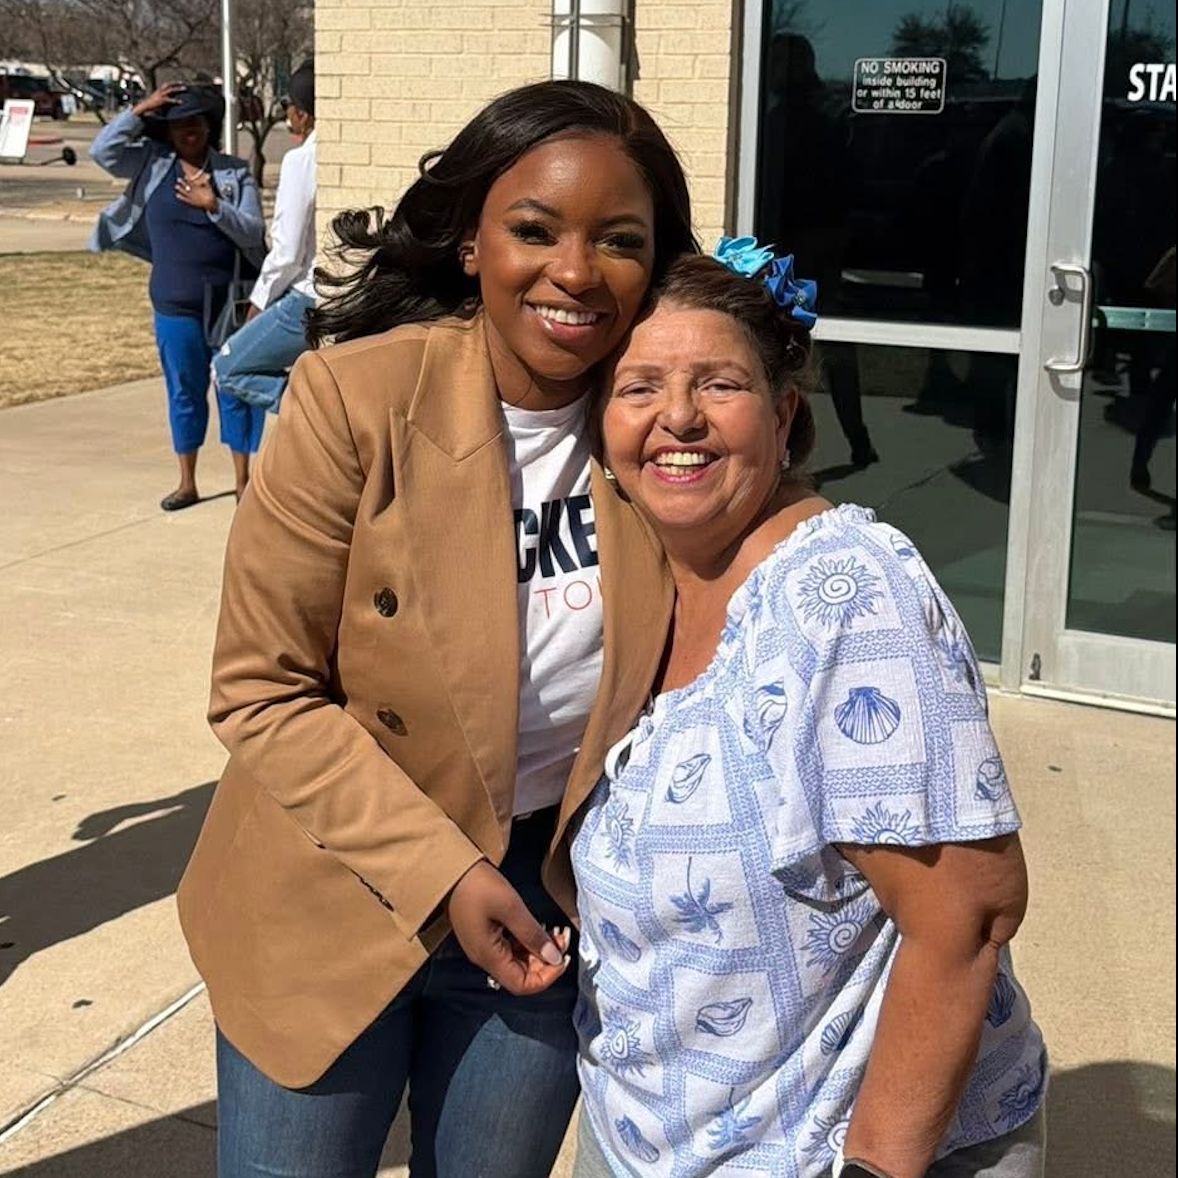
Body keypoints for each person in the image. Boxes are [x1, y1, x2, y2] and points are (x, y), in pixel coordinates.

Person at [176, 79, 697, 1178]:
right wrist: (445, 872)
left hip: (542, 899)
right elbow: (259, 688)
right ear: (469, 242)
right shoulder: (353, 400)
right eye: (533, 228)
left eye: (618, 239)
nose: (573, 270)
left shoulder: (660, 427)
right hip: (329, 887)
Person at [570, 242, 1048, 1178]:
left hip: (822, 1151)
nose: (678, 418)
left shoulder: (845, 598)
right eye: (640, 389)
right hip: (655, 1132)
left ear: (785, 414)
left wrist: (876, 1168)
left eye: (719, 385)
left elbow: (968, 915)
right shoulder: (643, 578)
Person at [90, 82, 267, 509]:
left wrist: (213, 206)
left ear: (209, 127)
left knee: (234, 388)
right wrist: (141, 109)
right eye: (180, 124)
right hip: (174, 303)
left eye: (197, 122)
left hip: (229, 302)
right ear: (167, 131)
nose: (190, 130)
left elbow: (254, 231)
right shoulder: (151, 165)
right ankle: (187, 482)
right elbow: (103, 152)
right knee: (184, 392)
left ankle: (244, 483)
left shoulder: (233, 172)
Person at [211, 62, 318, 416]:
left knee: (227, 368)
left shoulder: (300, 160)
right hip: (351, 293)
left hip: (311, 297)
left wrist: (259, 302)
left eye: (289, 106)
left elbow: (287, 251)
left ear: (301, 113)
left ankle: (319, 419)